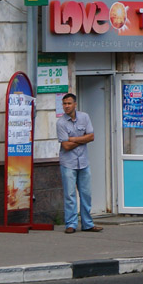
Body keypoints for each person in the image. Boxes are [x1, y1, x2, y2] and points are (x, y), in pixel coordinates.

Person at [56, 93, 103, 234]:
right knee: (70, 195)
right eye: (64, 104)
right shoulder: (61, 123)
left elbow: (92, 136)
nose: (66, 106)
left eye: (69, 103)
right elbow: (66, 146)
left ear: (75, 104)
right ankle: (71, 224)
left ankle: (88, 224)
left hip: (83, 162)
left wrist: (72, 139)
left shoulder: (85, 117)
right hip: (68, 163)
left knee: (86, 194)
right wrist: (83, 139)